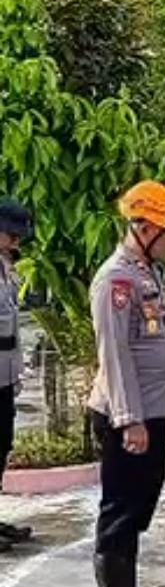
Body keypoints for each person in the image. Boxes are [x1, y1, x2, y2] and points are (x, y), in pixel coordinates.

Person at [88, 181, 165, 587]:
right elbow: (115, 355)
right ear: (146, 227)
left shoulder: (145, 273)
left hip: (150, 412)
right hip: (126, 415)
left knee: (139, 505)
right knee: (120, 508)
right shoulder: (116, 279)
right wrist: (129, 420)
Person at [0, 198, 34, 552]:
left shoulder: (6, 268)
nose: (16, 243)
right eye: (11, 235)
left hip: (4, 375)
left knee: (2, 447)